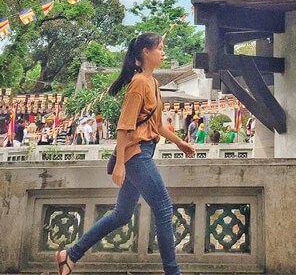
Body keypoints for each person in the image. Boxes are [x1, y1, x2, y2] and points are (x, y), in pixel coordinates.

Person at [54, 32, 195, 275]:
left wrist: (180, 143)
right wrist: (120, 164)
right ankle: (173, 273)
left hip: (145, 152)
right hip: (135, 155)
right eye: (159, 48)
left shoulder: (154, 84)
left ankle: (70, 254)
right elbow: (124, 125)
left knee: (121, 215)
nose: (163, 52)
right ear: (145, 53)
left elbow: (158, 125)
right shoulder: (139, 83)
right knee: (163, 209)